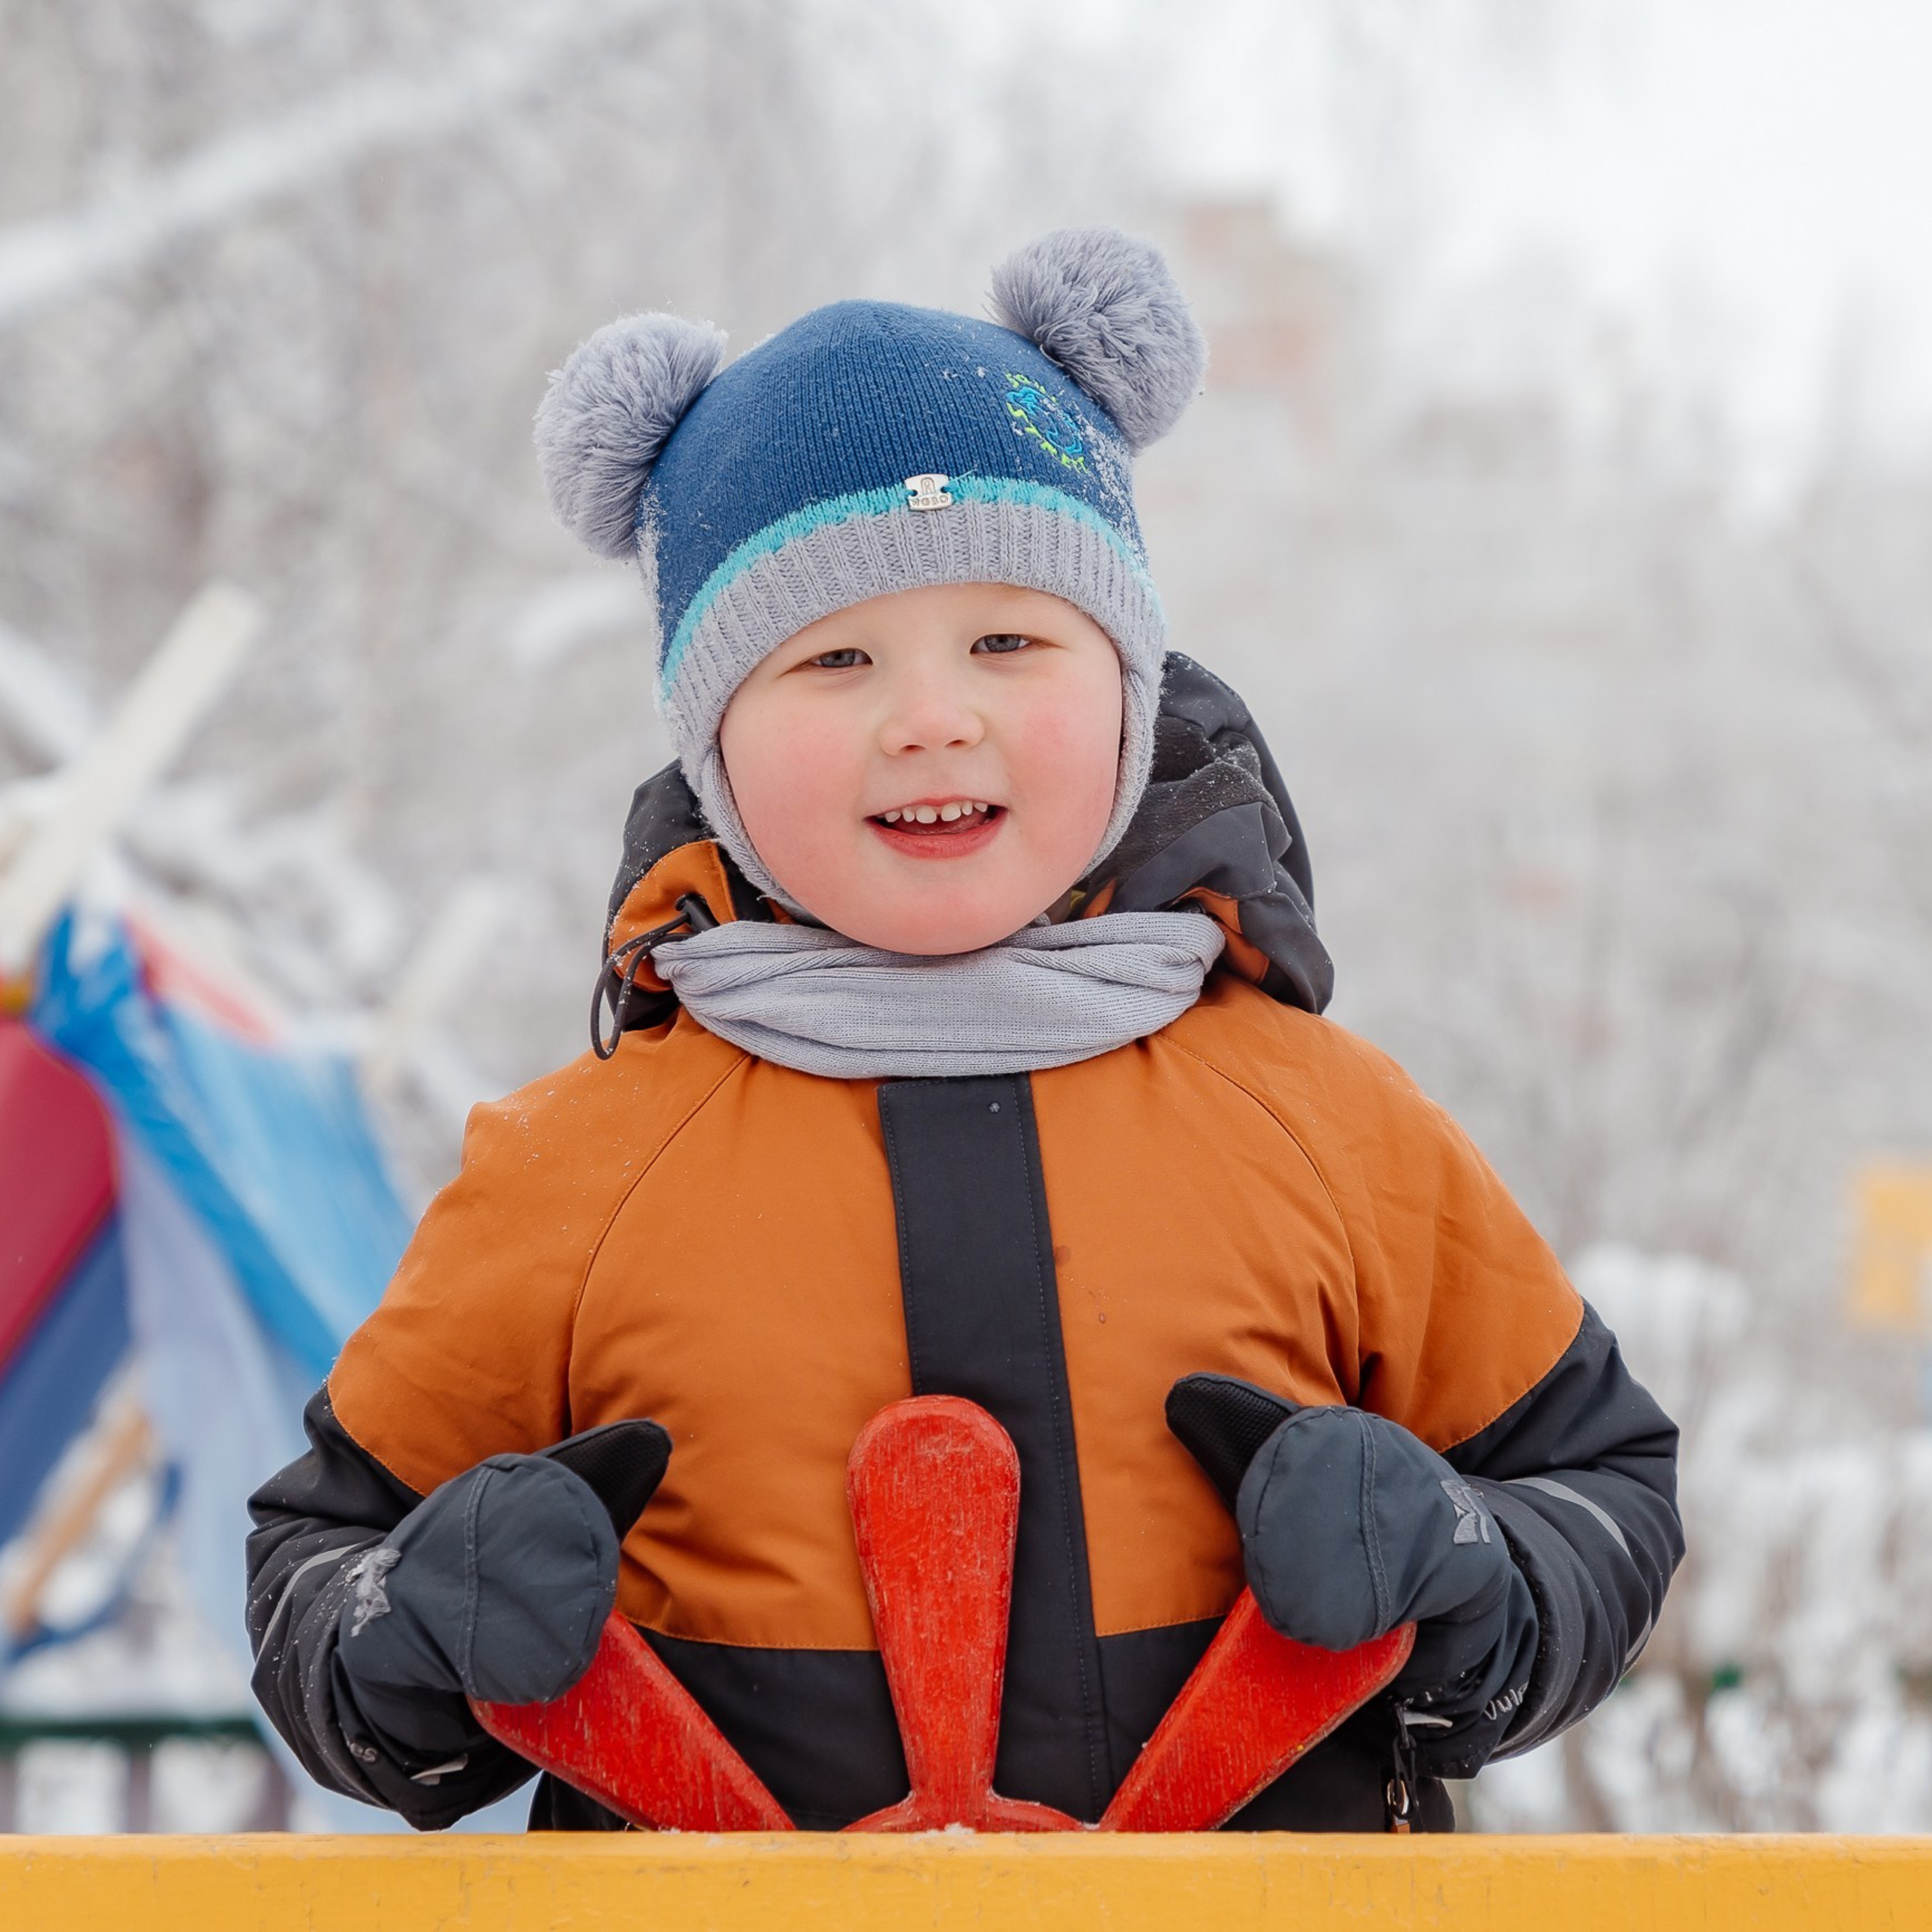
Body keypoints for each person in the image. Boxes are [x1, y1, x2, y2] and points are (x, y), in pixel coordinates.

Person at [246, 228, 1682, 1833]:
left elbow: (1602, 1486)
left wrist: (1462, 1578)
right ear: (713, 741)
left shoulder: (1327, 1125)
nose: (930, 713)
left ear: (1131, 686)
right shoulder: (577, 1168)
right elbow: (316, 1567)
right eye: (832, 656)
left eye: (1007, 640)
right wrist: (420, 1630)